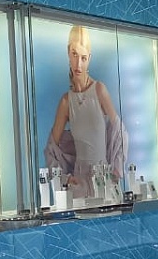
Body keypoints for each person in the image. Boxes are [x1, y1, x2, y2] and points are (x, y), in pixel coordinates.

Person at [44, 24, 127, 198]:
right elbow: (51, 149)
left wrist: (115, 171)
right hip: (79, 184)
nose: (78, 64)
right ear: (68, 53)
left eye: (83, 57)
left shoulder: (99, 90)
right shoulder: (66, 102)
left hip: (104, 180)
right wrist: (66, 178)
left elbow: (120, 133)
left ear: (89, 58)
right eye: (74, 54)